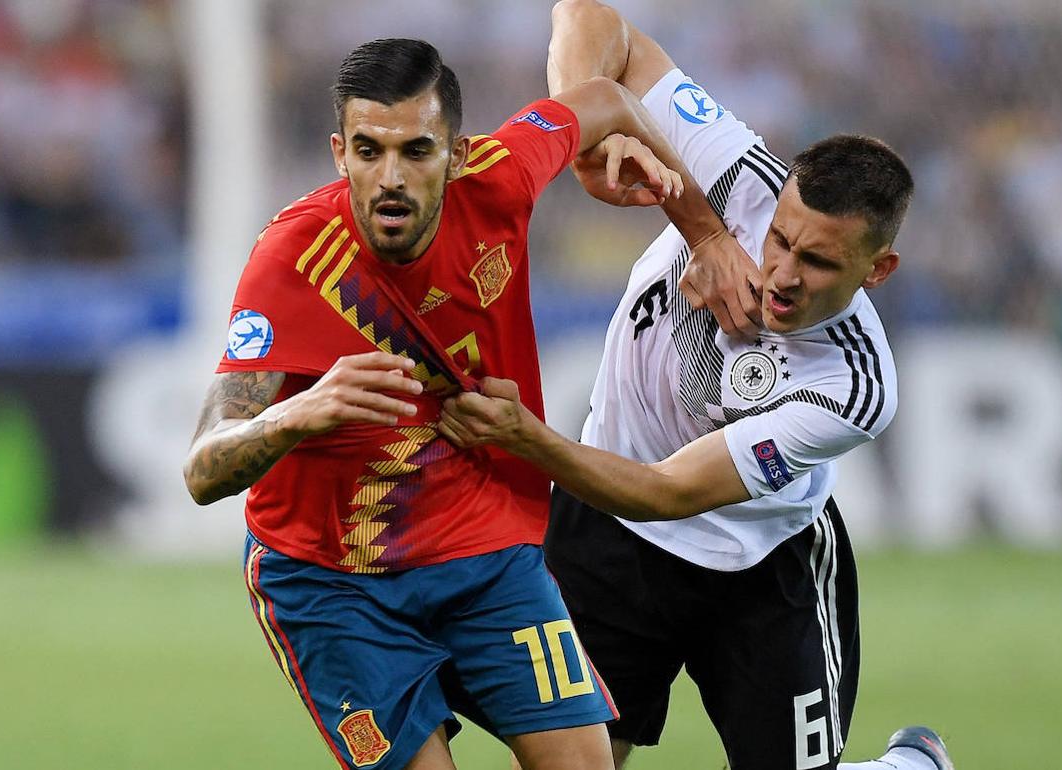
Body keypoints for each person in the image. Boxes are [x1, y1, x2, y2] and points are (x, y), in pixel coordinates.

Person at [183, 37, 754, 770]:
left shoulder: (503, 174)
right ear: (339, 152)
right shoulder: (292, 260)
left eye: (416, 151)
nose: (390, 177)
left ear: (457, 153)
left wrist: (704, 234)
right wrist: (297, 411)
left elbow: (610, 98)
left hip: (482, 551)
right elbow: (202, 471)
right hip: (332, 584)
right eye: (368, 151)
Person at [437, 3, 954, 769]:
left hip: (756, 563)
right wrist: (597, 132)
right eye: (780, 238)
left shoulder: (853, 382)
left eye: (818, 263)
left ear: (877, 271)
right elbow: (589, 18)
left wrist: (523, 437)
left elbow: (669, 492)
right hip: (608, 532)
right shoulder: (740, 176)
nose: (782, 272)